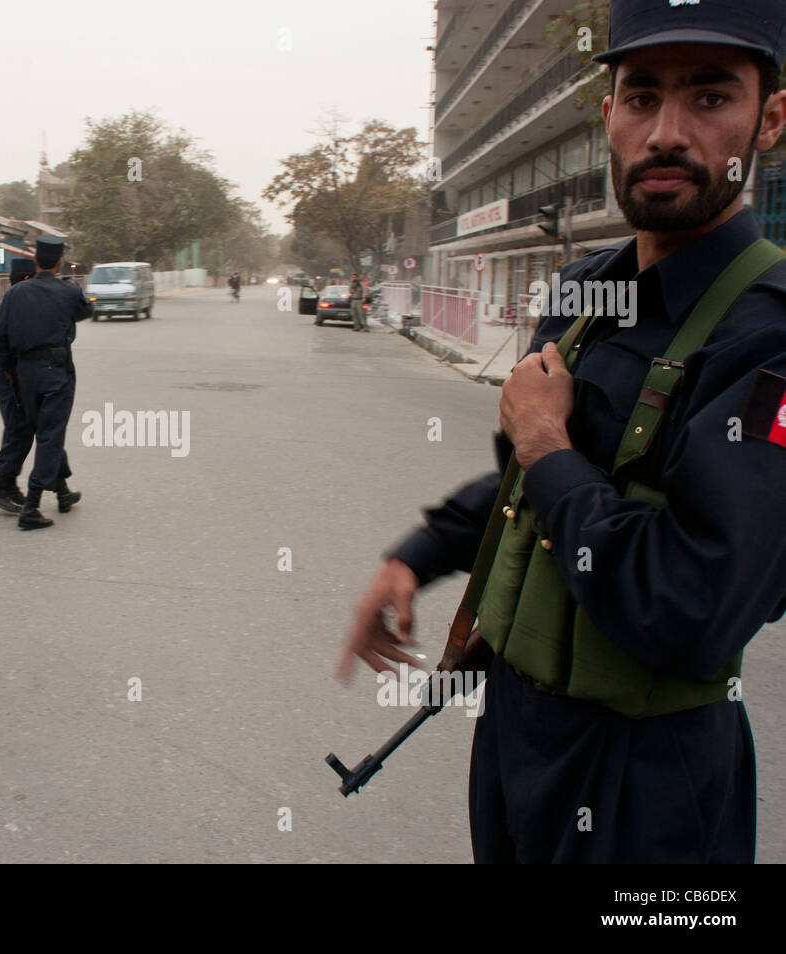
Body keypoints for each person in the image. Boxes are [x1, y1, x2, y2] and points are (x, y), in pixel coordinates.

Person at [336, 0, 786, 864]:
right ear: (608, 113)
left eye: (710, 97)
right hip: (514, 735)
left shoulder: (767, 335)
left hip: (648, 783)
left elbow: (690, 605)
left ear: (769, 119)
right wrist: (419, 552)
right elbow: (528, 495)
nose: (667, 132)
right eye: (641, 95)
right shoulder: (588, 291)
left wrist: (546, 444)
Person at [0, 235, 91, 530]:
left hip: (24, 374)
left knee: (43, 431)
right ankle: (32, 505)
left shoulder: (16, 293)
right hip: (55, 372)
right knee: (50, 434)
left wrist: (10, 371)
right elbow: (86, 310)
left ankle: (61, 492)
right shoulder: (68, 292)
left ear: (36, 260)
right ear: (59, 261)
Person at [0, 257, 37, 514]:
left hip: (13, 375)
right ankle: (1, 487)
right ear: (27, 280)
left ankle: (10, 483)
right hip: (7, 376)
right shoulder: (11, 305)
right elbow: (0, 345)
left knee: (22, 428)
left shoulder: (15, 302)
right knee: (18, 428)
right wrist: (9, 374)